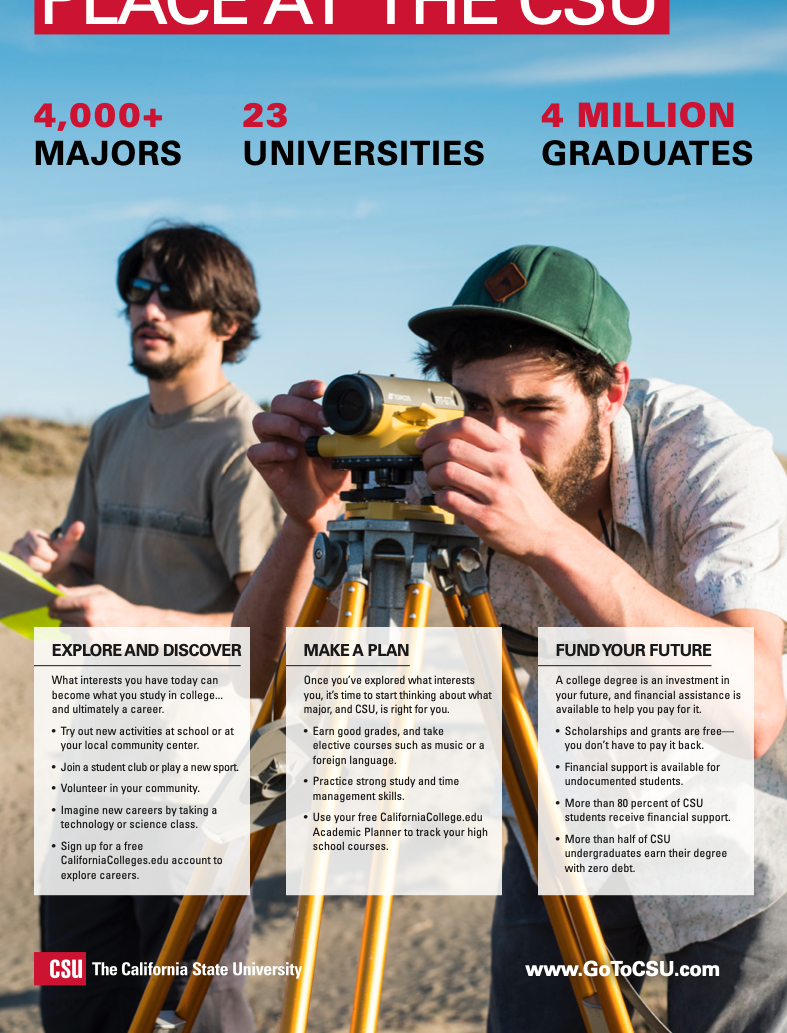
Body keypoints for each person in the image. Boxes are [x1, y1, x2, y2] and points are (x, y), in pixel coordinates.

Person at [235, 244, 787, 1033]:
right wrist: (308, 523)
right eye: (474, 407)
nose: (496, 441)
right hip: (562, 816)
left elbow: (755, 709)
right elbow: (257, 680)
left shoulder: (707, 453)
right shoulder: (433, 458)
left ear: (612, 392)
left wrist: (547, 538)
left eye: (533, 409)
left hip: (747, 823)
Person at [14, 223, 283, 1033]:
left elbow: (266, 639)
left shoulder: (249, 445)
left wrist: (134, 624)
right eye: (137, 291)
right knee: (73, 987)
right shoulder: (112, 427)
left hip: (204, 766)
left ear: (226, 324)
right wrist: (44, 573)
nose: (148, 308)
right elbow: (88, 587)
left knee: (188, 1004)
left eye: (172, 295)